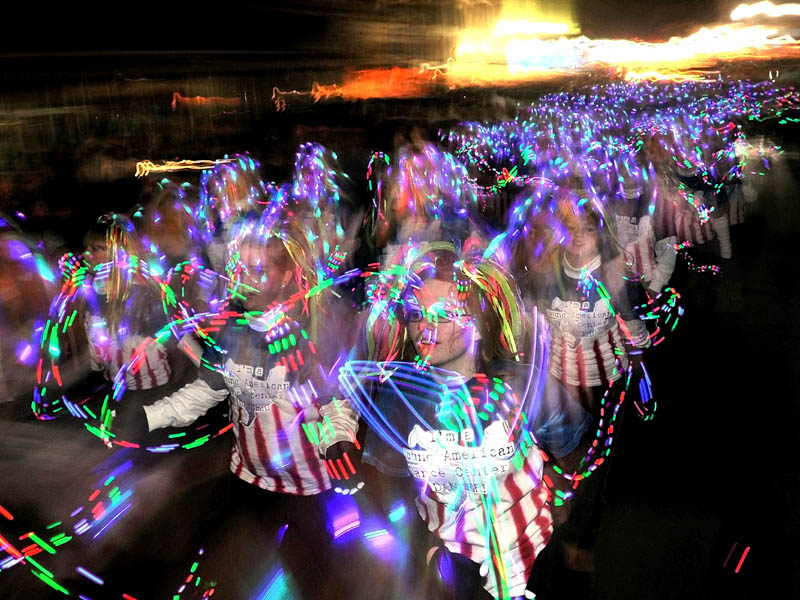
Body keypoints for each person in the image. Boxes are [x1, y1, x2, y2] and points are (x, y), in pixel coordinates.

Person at [114, 213, 356, 598]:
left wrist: (338, 440)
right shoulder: (232, 328)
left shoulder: (309, 336)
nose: (243, 278)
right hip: (249, 476)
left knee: (313, 575)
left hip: (306, 484)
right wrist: (152, 416)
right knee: (238, 569)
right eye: (239, 268)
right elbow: (209, 390)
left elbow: (335, 402)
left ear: (287, 277)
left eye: (257, 270)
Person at [331, 244, 589, 599]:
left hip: (534, 556)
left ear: (479, 326)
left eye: (443, 315)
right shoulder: (399, 398)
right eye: (416, 314)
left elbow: (576, 455)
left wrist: (570, 523)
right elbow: (389, 492)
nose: (425, 327)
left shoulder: (525, 386)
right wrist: (431, 553)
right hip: (451, 568)